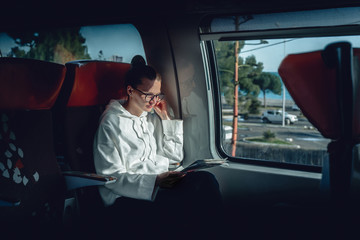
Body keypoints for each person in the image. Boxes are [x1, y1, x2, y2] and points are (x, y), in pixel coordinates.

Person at [93, 55, 222, 237]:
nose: (154, 101)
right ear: (130, 90)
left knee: (206, 180)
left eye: (158, 95)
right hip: (127, 196)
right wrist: (155, 181)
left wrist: (166, 119)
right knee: (188, 201)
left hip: (157, 184)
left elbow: (174, 159)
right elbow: (111, 177)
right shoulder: (111, 123)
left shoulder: (149, 118)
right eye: (148, 95)